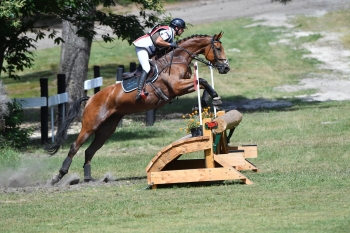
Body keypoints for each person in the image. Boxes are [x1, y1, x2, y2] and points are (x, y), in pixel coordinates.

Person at [133, 18, 187, 100]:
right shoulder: (168, 31)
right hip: (143, 47)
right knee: (146, 68)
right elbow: (158, 41)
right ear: (177, 27)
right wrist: (170, 44)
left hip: (150, 50)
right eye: (182, 28)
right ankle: (139, 91)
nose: (183, 30)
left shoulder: (170, 33)